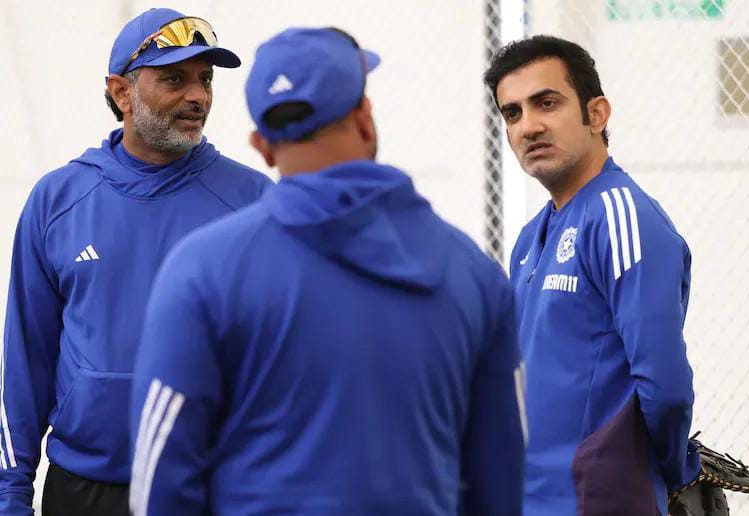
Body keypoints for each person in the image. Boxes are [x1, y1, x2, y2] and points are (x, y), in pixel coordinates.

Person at [129, 27, 525, 516]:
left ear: (262, 146)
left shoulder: (203, 270)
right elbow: (502, 476)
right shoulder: (473, 274)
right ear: (364, 117)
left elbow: (161, 480)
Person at [0, 8, 270, 516]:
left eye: (205, 79)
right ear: (122, 92)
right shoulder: (57, 200)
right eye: (175, 79)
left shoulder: (254, 203)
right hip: (83, 489)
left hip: (211, 490)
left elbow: (284, 364)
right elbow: (26, 360)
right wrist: (10, 495)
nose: (198, 96)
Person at [484, 35, 701, 515]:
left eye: (546, 103)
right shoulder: (530, 237)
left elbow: (664, 386)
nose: (529, 126)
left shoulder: (623, 217)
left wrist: (672, 472)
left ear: (596, 114)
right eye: (512, 113)